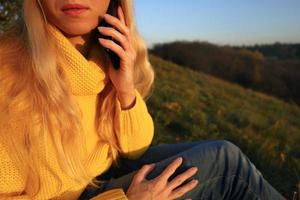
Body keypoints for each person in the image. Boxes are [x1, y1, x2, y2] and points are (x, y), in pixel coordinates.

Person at [0, 0, 286, 199]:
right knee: (225, 169)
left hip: (105, 174)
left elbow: (136, 149)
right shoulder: (7, 69)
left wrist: (125, 90)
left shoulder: (104, 58)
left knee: (227, 156)